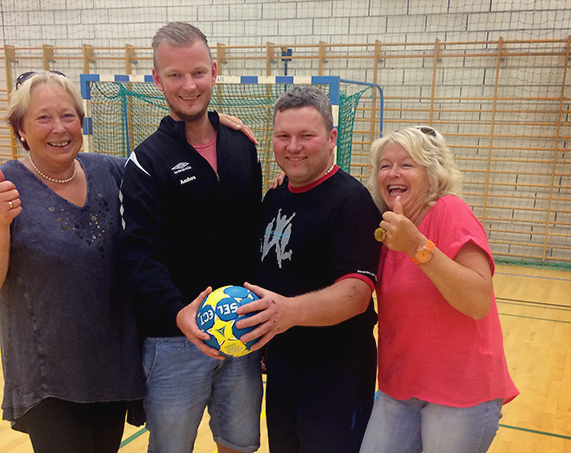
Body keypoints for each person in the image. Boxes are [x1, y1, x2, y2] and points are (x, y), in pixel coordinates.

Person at [0, 71, 146, 453]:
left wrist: (209, 127)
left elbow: (167, 168)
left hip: (111, 365)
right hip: (49, 376)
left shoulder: (111, 171)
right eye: (43, 117)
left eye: (68, 116)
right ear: (21, 129)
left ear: (81, 121)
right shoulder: (0, 185)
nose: (59, 128)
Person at [119, 22, 263, 453]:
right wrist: (177, 312)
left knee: (239, 444)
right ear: (156, 78)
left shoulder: (243, 146)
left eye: (198, 72)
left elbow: (251, 230)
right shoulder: (146, 161)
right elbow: (139, 255)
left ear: (215, 72)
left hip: (240, 332)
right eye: (175, 75)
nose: (189, 85)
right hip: (173, 342)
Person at [236, 86, 383, 453]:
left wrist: (282, 313)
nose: (293, 146)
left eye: (306, 136)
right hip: (285, 367)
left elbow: (355, 296)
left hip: (337, 373)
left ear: (331, 138)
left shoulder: (352, 202)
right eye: (283, 136)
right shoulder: (276, 195)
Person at [359, 126, 519, 453]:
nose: (392, 172)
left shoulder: (449, 211)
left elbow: (477, 300)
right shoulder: (385, 223)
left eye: (406, 164)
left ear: (432, 174)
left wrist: (417, 245)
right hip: (400, 389)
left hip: (461, 395)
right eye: (384, 165)